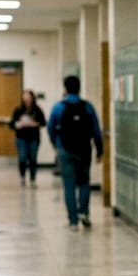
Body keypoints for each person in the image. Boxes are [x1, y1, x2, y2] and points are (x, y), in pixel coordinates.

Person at [46, 75, 103, 231]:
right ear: (79, 88)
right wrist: (99, 150)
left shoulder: (58, 107)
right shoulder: (88, 107)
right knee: (84, 182)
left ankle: (73, 222)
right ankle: (84, 212)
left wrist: (56, 144)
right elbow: (96, 130)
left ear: (65, 88)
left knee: (69, 186)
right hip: (84, 150)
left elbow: (50, 128)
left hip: (65, 150)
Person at [10, 89, 47, 186]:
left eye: (28, 97)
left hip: (33, 137)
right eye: (25, 97)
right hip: (21, 137)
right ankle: (22, 176)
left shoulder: (37, 110)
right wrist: (17, 124)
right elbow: (11, 124)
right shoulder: (18, 110)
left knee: (33, 158)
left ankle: (32, 178)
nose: (26, 99)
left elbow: (43, 122)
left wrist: (34, 124)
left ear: (32, 98)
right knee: (22, 158)